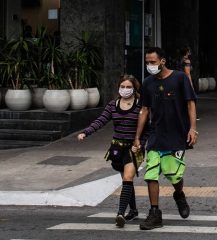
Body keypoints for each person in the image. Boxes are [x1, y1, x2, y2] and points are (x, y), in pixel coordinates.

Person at [133, 47, 198, 230]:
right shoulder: (147, 83)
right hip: (155, 135)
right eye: (147, 62)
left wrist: (193, 129)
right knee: (150, 174)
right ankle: (155, 213)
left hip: (177, 135)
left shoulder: (179, 78)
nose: (149, 65)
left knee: (174, 175)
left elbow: (190, 103)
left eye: (152, 62)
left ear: (162, 61)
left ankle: (179, 194)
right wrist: (137, 138)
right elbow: (144, 110)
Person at [77, 75, 148, 228]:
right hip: (117, 148)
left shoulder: (140, 105)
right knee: (126, 180)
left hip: (134, 148)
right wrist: (86, 132)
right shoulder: (112, 105)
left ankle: (120, 214)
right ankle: (134, 210)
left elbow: (148, 128)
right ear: (118, 88)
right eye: (122, 86)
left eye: (129, 87)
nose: (125, 89)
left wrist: (141, 144)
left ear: (135, 89)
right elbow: (100, 120)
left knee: (128, 177)